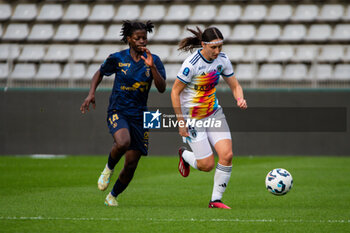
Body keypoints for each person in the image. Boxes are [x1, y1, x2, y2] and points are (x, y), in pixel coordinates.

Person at [80, 20, 166, 206]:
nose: (143, 41)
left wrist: (152, 67)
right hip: (118, 109)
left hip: (142, 114)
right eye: (138, 38)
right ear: (129, 39)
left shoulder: (155, 60)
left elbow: (161, 88)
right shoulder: (118, 58)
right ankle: (108, 168)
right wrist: (91, 93)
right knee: (123, 141)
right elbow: (100, 72)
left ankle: (112, 196)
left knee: (131, 164)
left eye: (145, 38)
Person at [171, 26, 247, 209]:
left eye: (220, 47)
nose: (218, 51)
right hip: (193, 118)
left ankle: (215, 200)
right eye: (214, 47)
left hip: (214, 113)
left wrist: (239, 98)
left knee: (227, 155)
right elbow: (174, 92)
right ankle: (185, 155)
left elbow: (235, 85)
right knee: (206, 165)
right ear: (204, 45)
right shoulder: (191, 64)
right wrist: (181, 123)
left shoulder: (222, 60)